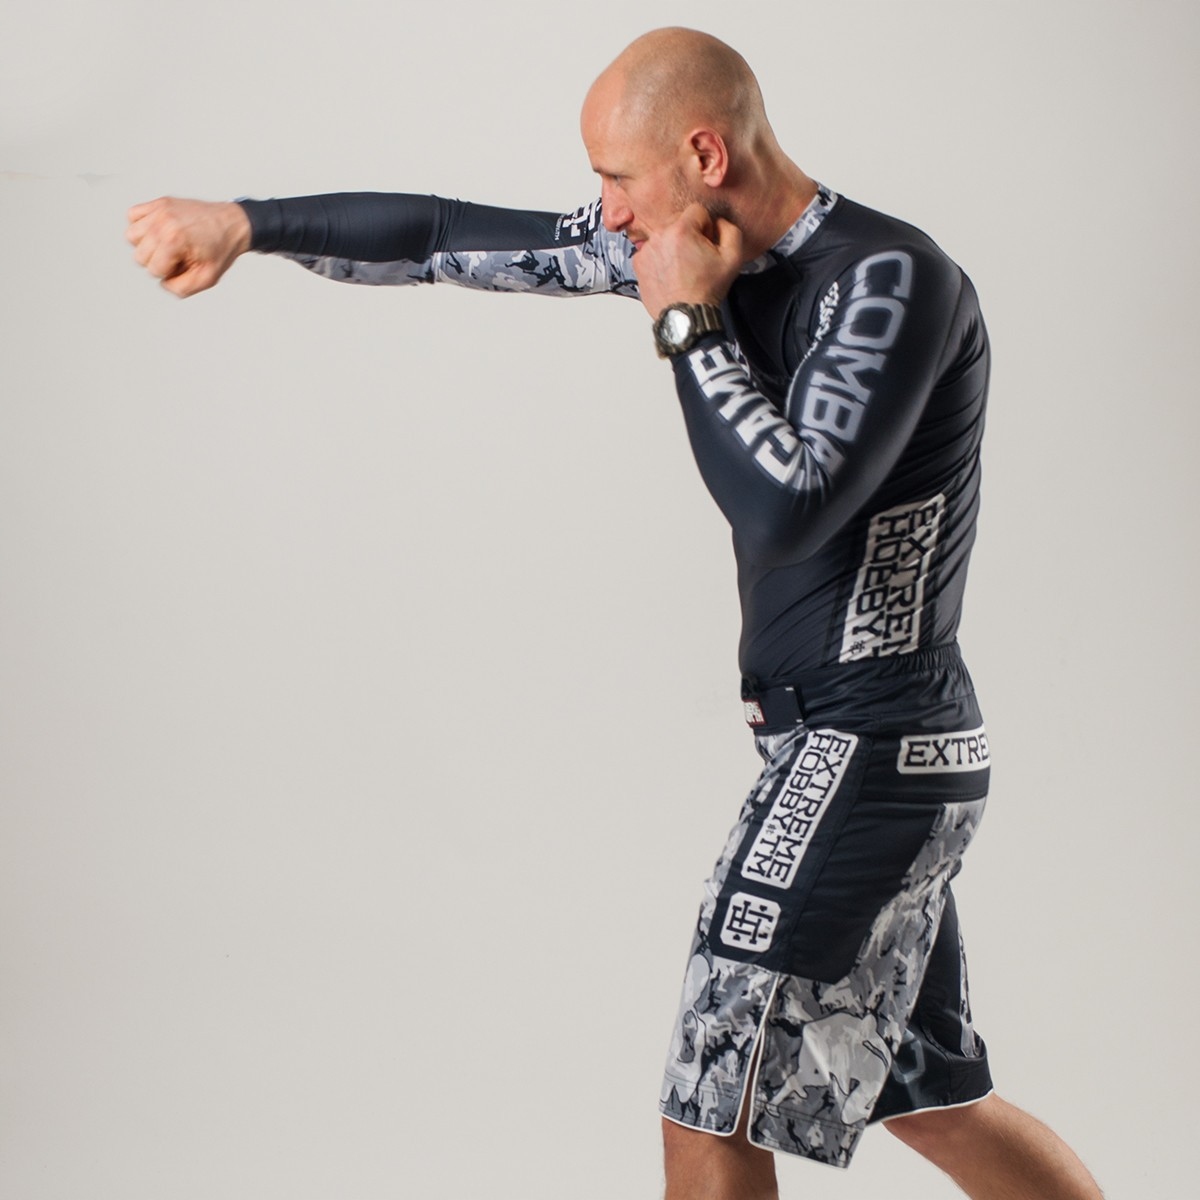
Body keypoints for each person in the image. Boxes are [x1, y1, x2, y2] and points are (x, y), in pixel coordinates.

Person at [126, 26, 1104, 1200]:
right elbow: (444, 236)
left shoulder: (888, 281)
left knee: (709, 1102)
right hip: (856, 750)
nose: (609, 213)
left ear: (705, 155)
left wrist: (686, 321)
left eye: (616, 179)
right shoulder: (696, 245)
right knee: (929, 1098)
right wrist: (247, 222)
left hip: (868, 747)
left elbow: (788, 510)